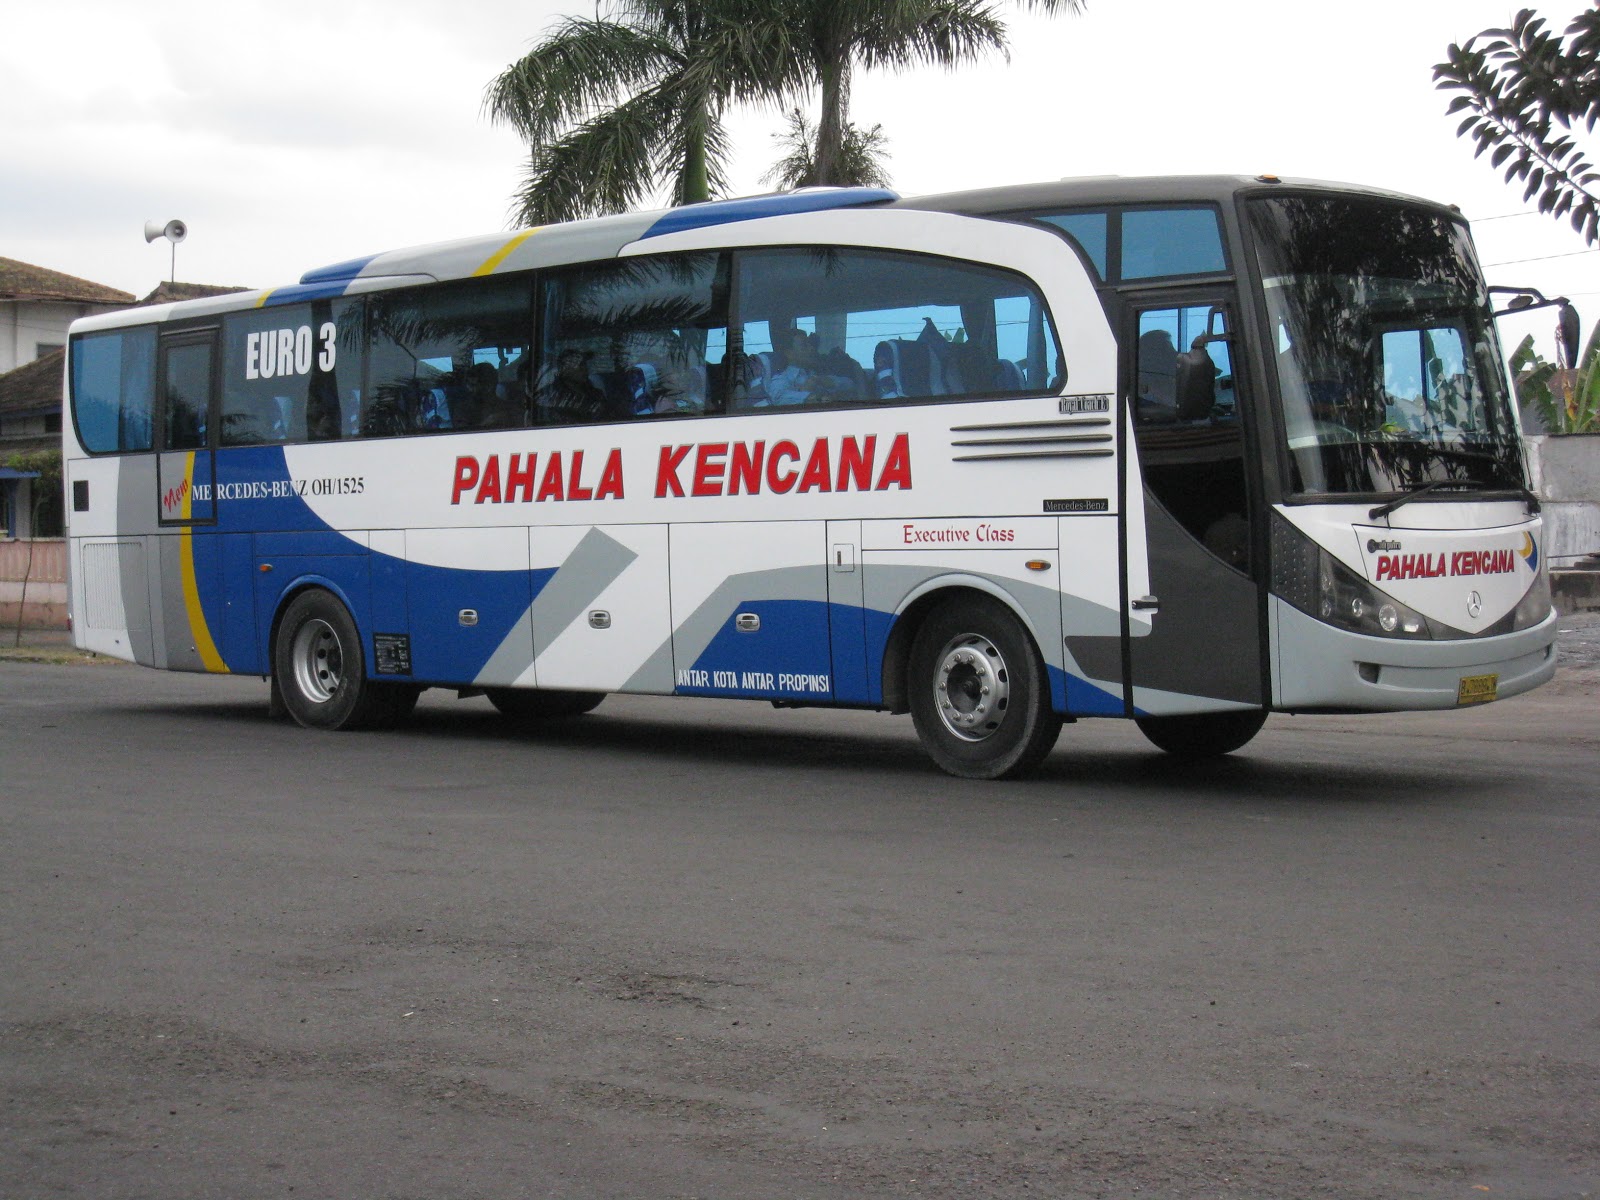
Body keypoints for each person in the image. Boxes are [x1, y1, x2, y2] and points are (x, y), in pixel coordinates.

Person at [765, 330, 856, 406]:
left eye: (810, 344)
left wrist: (825, 381)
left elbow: (850, 385)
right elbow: (778, 399)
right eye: (804, 346)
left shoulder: (816, 373)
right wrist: (809, 395)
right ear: (789, 353)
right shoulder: (782, 377)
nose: (811, 348)